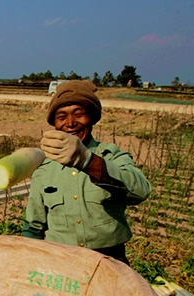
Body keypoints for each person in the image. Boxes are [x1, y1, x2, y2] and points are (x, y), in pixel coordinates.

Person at [22, 80, 151, 265]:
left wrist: (87, 161)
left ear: (91, 118)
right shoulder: (44, 169)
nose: (70, 123)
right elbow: (33, 226)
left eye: (79, 114)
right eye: (61, 116)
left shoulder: (111, 156)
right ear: (55, 124)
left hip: (109, 260)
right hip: (61, 262)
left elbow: (141, 191)